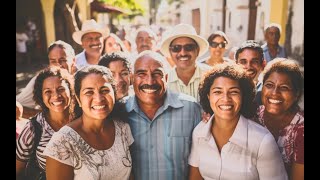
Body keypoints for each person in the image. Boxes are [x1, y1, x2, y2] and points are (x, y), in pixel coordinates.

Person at [189, 63, 288, 180]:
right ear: (208, 96)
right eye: (217, 92)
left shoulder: (263, 141)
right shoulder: (199, 132)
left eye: (234, 92)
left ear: (243, 96)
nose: (226, 99)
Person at [44, 65, 134, 180]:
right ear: (78, 99)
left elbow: (130, 176)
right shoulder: (62, 143)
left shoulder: (123, 129)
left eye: (104, 90)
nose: (98, 98)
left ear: (114, 94)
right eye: (89, 92)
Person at [126, 50, 201, 180]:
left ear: (166, 78)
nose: (149, 81)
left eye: (157, 73)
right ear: (132, 79)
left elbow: (201, 158)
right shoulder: (121, 111)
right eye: (142, 74)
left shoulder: (191, 108)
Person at [16, 67, 73, 180]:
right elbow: (18, 171)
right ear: (41, 96)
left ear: (70, 90)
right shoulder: (33, 129)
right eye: (48, 91)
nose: (56, 96)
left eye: (61, 89)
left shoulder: (85, 119)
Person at [254, 58, 304, 180]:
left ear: (296, 93)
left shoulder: (301, 130)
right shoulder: (252, 116)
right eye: (269, 85)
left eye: (284, 87)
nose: (274, 93)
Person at [16, 40, 76, 118]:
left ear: (73, 61)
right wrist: (47, 116)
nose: (58, 65)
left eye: (63, 60)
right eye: (53, 61)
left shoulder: (82, 77)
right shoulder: (41, 80)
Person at [160, 23, 210, 101]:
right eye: (176, 48)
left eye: (189, 47)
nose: (183, 53)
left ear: (197, 50)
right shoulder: (164, 81)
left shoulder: (211, 76)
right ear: (170, 52)